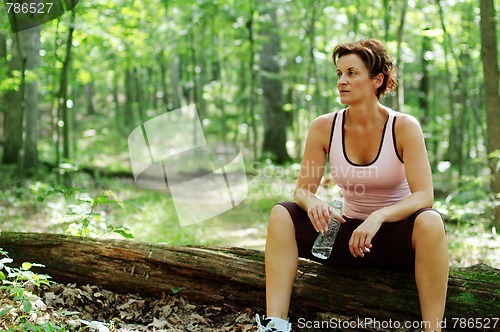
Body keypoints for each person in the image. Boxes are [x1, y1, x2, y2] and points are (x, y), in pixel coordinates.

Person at [255, 39, 449, 332]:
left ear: (377, 80)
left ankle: (433, 329)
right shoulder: (324, 127)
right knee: (282, 213)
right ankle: (276, 324)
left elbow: (425, 195)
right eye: (339, 74)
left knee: (431, 221)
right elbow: (302, 190)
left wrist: (380, 215)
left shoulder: (404, 126)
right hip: (348, 238)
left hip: (395, 239)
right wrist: (314, 202)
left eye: (352, 73)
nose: (342, 81)